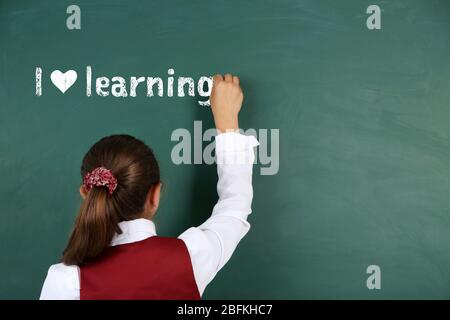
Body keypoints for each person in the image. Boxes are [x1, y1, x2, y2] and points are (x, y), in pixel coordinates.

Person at [39, 73, 259, 299]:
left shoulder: (65, 281)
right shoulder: (191, 258)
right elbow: (235, 206)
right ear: (155, 195)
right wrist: (227, 124)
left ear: (87, 193)